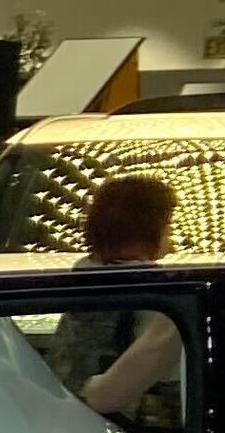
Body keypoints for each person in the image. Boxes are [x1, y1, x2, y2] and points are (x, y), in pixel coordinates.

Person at [70, 173, 183, 418]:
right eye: (168, 224)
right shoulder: (157, 292)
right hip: (130, 424)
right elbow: (167, 375)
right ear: (152, 228)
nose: (170, 233)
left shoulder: (81, 275)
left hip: (68, 412)